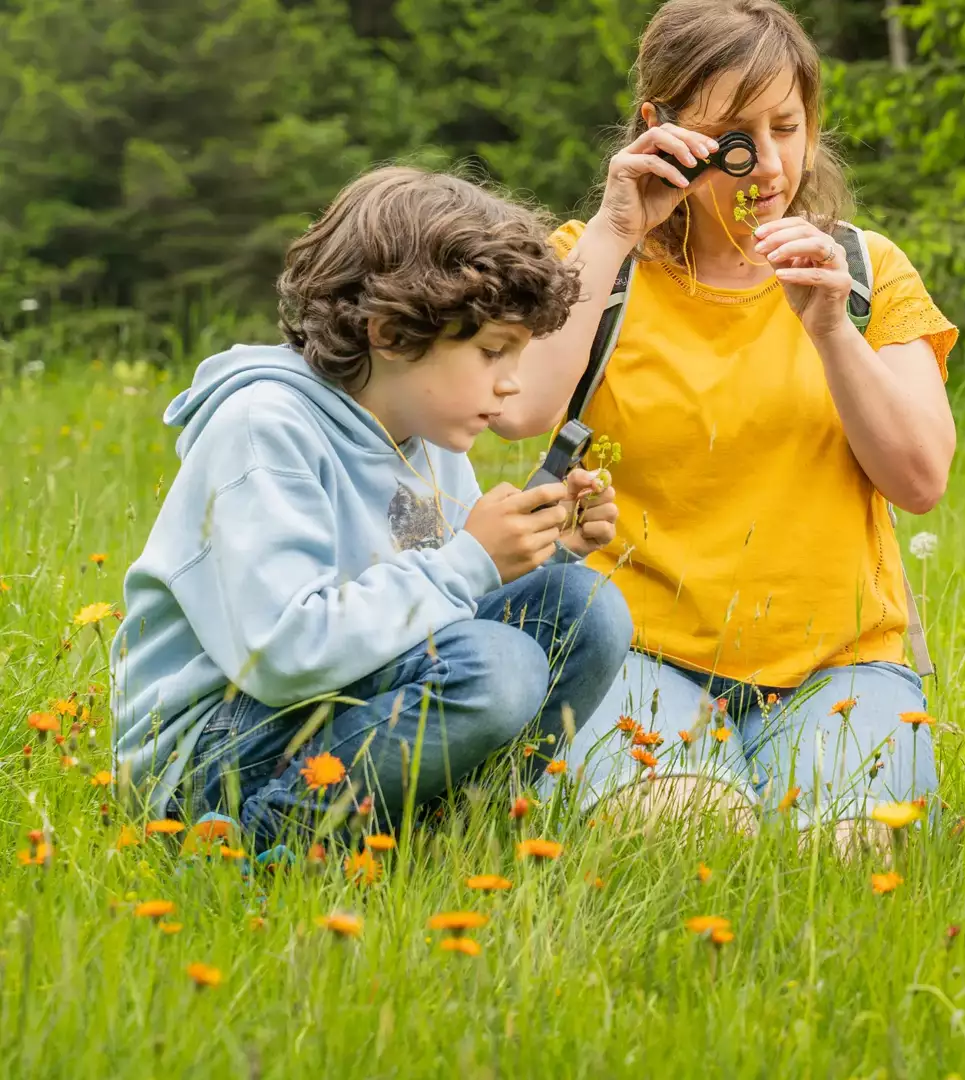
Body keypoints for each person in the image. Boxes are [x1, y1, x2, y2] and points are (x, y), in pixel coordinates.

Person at [491, 0, 958, 845]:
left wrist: (828, 332)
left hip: (840, 664)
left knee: (841, 853)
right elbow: (519, 408)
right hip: (638, 651)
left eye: (789, 124)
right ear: (660, 128)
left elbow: (921, 479)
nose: (770, 163)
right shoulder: (595, 258)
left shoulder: (863, 268)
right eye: (736, 134)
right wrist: (615, 227)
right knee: (686, 833)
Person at [111, 166, 633, 849]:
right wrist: (472, 561)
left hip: (330, 714)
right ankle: (259, 846)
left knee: (582, 608)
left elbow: (448, 602)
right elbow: (284, 654)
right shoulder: (265, 427)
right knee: (498, 667)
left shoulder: (426, 427)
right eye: (491, 352)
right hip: (212, 755)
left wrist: (542, 548)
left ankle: (445, 830)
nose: (511, 386)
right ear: (389, 333)